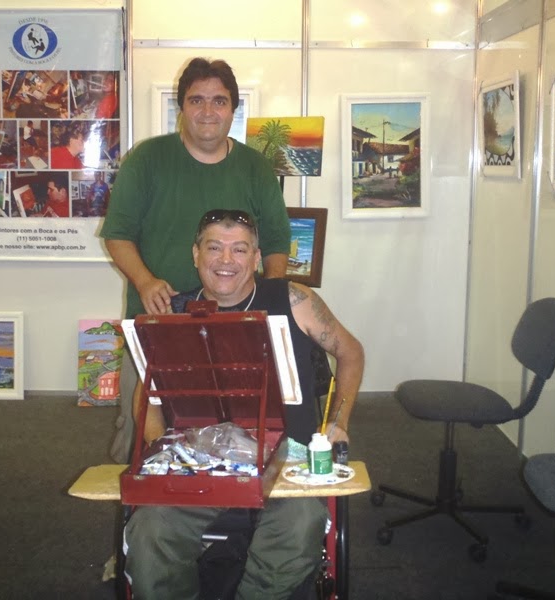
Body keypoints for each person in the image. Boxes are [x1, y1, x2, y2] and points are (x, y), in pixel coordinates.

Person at [124, 209, 364, 599]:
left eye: (239, 249)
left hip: (289, 459)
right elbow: (145, 391)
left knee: (299, 524)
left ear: (256, 258)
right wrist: (158, 444)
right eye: (213, 248)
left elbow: (351, 353)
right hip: (200, 460)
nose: (226, 260)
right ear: (195, 254)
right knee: (150, 529)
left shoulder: (293, 300)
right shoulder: (173, 313)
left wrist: (338, 423)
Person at [100, 57, 291, 462]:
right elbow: (118, 234)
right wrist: (145, 281)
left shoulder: (256, 168)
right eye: (196, 100)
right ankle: (136, 498)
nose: (208, 111)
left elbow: (276, 242)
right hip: (159, 321)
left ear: (233, 109)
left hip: (237, 324)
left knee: (239, 423)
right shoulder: (147, 159)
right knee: (142, 427)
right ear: (182, 107)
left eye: (219, 101)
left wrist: (271, 302)